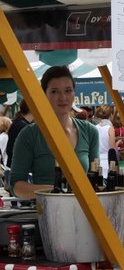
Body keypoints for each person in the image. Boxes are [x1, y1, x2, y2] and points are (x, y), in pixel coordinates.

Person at [11, 65, 99, 199]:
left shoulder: (90, 131)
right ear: (44, 94)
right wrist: (55, 191)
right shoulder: (29, 134)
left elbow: (95, 178)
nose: (63, 97)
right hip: (46, 210)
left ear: (74, 92)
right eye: (54, 91)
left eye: (68, 90)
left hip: (84, 210)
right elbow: (16, 186)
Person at [94, 105, 116, 179]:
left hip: (96, 160)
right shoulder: (110, 128)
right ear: (110, 115)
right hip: (107, 161)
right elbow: (112, 148)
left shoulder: (95, 127)